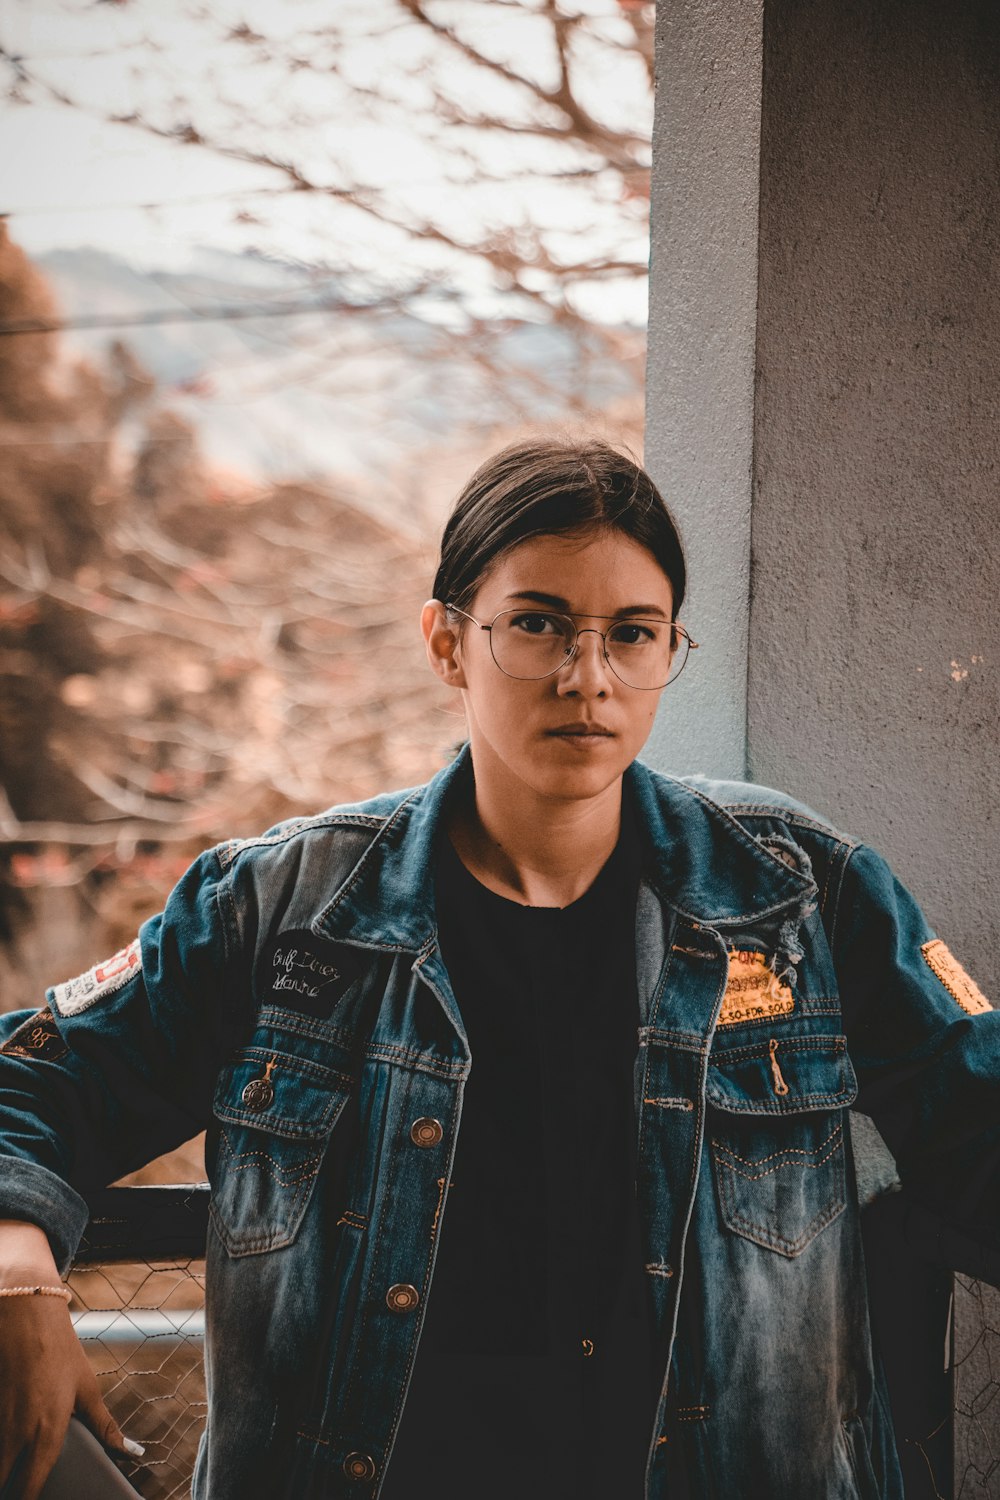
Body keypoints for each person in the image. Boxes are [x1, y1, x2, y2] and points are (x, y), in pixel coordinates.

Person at [0, 436, 997, 1500]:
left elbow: (972, 1120)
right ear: (445, 643)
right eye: (537, 625)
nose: (587, 677)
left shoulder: (793, 891)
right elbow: (38, 1079)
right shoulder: (282, 909)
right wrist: (16, 1276)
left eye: (632, 634)